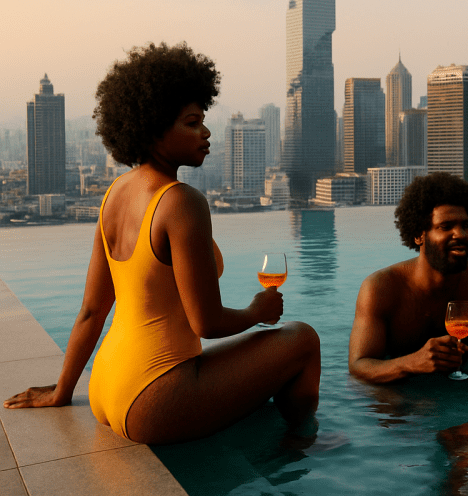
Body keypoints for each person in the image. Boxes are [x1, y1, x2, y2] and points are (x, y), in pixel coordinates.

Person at [3, 42, 322, 444]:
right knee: (304, 339)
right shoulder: (182, 202)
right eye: (191, 122)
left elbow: (91, 311)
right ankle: (303, 444)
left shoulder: (114, 193)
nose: (206, 133)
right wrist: (257, 310)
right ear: (153, 129)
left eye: (203, 120)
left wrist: (63, 391)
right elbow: (205, 324)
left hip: (105, 387)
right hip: (154, 398)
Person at [348, 172, 468, 384]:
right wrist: (411, 363)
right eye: (446, 227)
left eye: (465, 226)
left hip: (459, 393)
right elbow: (359, 366)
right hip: (398, 394)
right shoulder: (380, 288)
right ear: (419, 235)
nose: (461, 234)